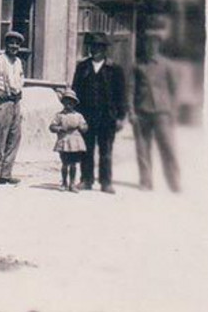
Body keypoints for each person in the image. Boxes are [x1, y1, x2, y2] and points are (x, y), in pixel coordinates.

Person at [72, 31, 127, 193]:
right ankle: (86, 180)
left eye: (98, 47)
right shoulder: (82, 67)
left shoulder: (114, 69)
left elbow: (121, 94)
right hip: (87, 115)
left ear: (104, 49)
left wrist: (121, 117)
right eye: (92, 46)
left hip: (107, 116)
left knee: (106, 150)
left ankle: (106, 182)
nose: (94, 50)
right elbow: (76, 90)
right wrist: (75, 114)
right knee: (86, 149)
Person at [131, 28, 181, 192]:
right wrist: (131, 112)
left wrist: (173, 112)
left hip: (162, 112)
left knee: (168, 147)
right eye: (147, 44)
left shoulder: (167, 66)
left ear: (158, 45)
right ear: (144, 45)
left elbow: (174, 91)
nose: (150, 47)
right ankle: (146, 181)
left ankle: (174, 182)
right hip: (142, 111)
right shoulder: (138, 65)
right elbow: (130, 90)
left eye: (153, 43)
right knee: (142, 148)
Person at [0, 30, 25, 186]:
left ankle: (5, 174)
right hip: (2, 102)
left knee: (14, 137)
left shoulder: (18, 62)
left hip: (15, 102)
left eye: (17, 44)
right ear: (6, 44)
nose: (14, 46)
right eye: (11, 43)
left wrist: (20, 92)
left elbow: (21, 79)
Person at [49, 87, 88, 192]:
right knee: (65, 163)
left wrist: (83, 127)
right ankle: (64, 183)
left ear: (74, 103)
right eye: (66, 102)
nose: (68, 104)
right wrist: (60, 128)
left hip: (75, 142)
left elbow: (84, 127)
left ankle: (72, 184)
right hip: (64, 140)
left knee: (74, 164)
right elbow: (52, 127)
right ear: (63, 103)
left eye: (71, 102)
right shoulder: (59, 115)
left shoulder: (78, 116)